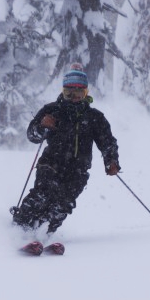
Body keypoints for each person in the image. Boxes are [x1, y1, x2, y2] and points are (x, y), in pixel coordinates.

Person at [10, 65, 120, 235]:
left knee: (63, 204)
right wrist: (41, 126)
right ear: (63, 91)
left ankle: (44, 234)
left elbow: (107, 142)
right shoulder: (51, 110)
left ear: (86, 93)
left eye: (78, 93)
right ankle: (19, 230)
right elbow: (32, 135)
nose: (74, 98)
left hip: (78, 170)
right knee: (43, 194)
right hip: (51, 164)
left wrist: (111, 161)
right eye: (69, 93)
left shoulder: (94, 117)